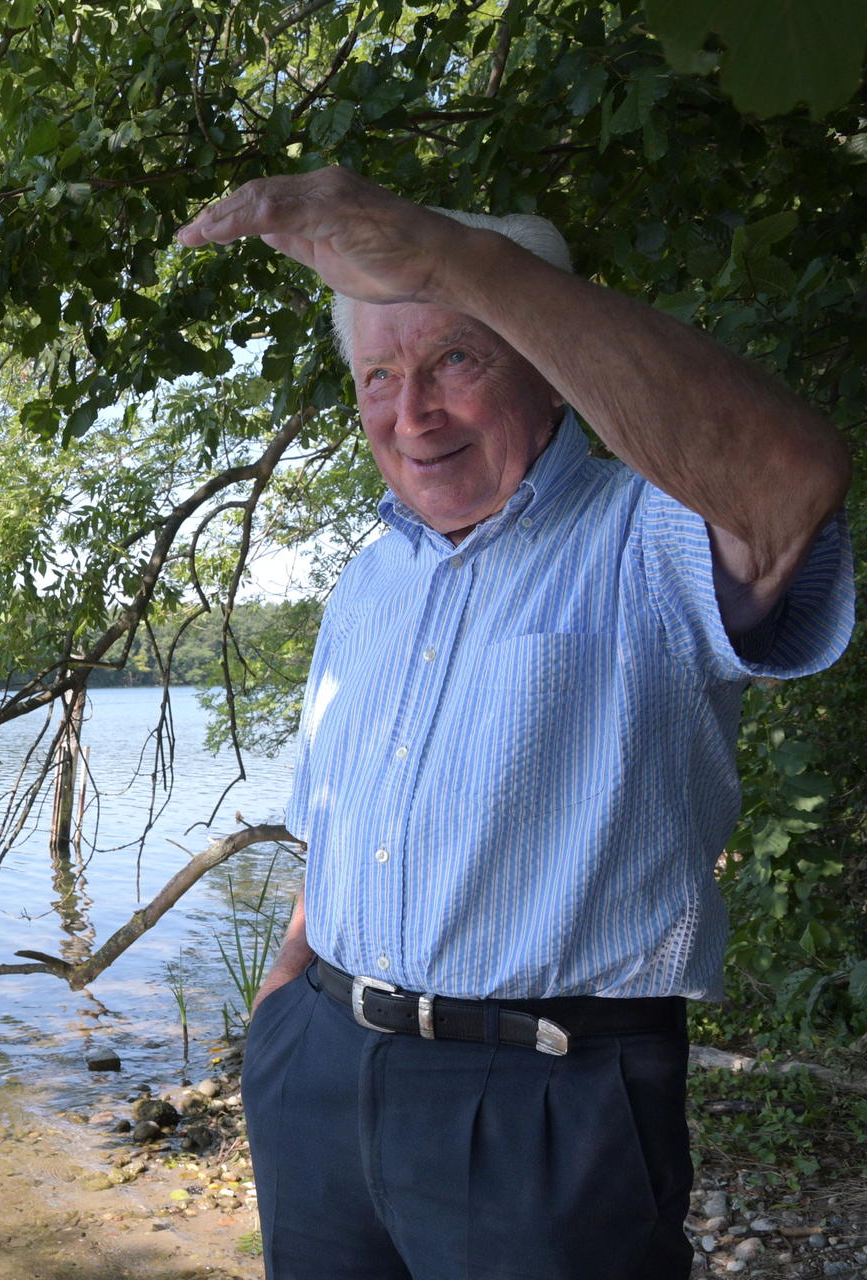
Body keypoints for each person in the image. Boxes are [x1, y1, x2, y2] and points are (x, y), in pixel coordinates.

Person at [174, 167, 854, 1279]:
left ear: (548, 366)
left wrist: (452, 255)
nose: (412, 412)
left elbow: (795, 479)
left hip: (549, 1095)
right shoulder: (368, 579)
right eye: (379, 374)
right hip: (321, 1068)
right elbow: (339, 820)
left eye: (454, 357)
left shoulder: (650, 531)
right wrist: (283, 1006)